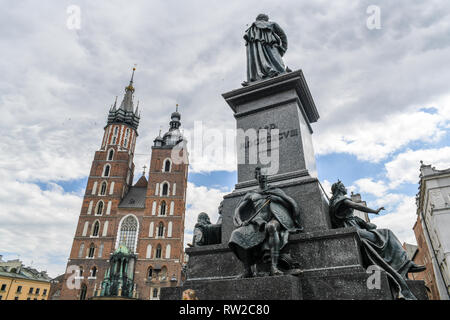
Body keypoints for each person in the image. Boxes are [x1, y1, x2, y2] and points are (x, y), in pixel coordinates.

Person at [329, 180, 426, 299]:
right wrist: (374, 211)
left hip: (353, 228)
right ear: (338, 189)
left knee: (384, 234)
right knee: (387, 233)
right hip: (351, 230)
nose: (346, 189)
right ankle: (406, 264)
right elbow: (356, 205)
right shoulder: (340, 200)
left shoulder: (334, 201)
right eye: (343, 186)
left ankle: (405, 264)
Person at [229, 167, 303, 277]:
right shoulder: (251, 194)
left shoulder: (276, 191)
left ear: (267, 177)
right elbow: (237, 210)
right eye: (260, 176)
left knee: (271, 227)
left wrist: (277, 199)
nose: (262, 178)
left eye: (264, 176)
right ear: (256, 178)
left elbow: (291, 205)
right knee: (236, 234)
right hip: (257, 222)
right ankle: (247, 270)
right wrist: (240, 222)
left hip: (274, 219)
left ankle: (274, 267)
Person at [243, 14, 289, 85]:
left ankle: (263, 74)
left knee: (274, 61)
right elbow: (283, 36)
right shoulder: (255, 27)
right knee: (270, 62)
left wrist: (282, 48)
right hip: (264, 47)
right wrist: (283, 48)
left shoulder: (251, 29)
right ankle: (267, 73)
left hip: (266, 48)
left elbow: (282, 36)